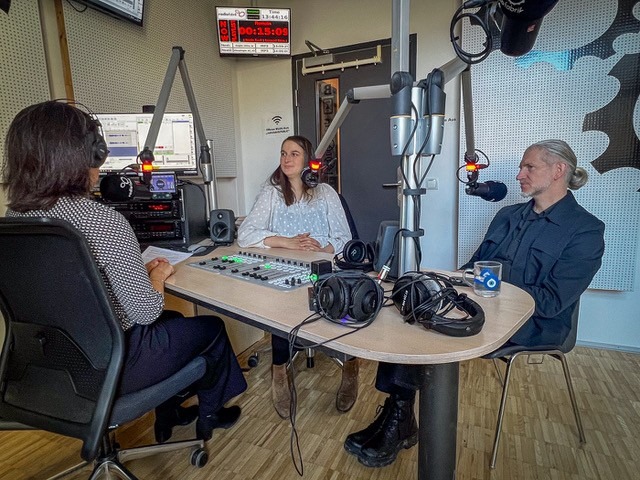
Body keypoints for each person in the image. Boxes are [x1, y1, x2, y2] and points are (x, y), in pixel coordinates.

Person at [343, 139, 606, 467]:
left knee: (432, 329)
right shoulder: (507, 215)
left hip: (534, 325)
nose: (519, 174)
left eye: (529, 167)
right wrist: (444, 283)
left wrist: (486, 287)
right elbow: (473, 268)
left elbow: (552, 302)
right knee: (410, 308)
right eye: (521, 167)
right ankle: (398, 413)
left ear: (558, 170)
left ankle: (400, 419)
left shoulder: (585, 230)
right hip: (481, 308)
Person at [2, 100, 247, 443]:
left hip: (46, 364)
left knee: (176, 321)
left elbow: (72, 288)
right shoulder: (102, 221)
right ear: (86, 155)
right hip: (113, 365)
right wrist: (155, 277)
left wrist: (132, 273)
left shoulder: (14, 220)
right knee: (212, 329)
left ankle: (170, 414)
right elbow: (146, 312)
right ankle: (210, 416)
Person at [237, 135, 358, 417]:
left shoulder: (326, 193)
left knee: (342, 303)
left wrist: (323, 249)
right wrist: (286, 241)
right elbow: (245, 235)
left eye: (294, 153)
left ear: (307, 160)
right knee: (280, 308)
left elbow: (345, 238)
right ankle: (279, 369)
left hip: (325, 267)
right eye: (283, 153)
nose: (286, 159)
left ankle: (350, 364)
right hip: (286, 267)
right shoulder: (271, 193)